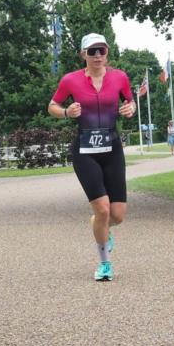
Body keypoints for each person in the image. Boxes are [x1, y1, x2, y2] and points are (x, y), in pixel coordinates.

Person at [47, 33, 135, 282]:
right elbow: (52, 106)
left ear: (107, 53)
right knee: (102, 208)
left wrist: (130, 108)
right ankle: (104, 263)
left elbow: (130, 101)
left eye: (102, 51)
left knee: (117, 215)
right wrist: (66, 112)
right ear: (83, 54)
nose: (97, 56)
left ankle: (102, 228)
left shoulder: (120, 77)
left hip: (112, 149)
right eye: (92, 51)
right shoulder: (70, 80)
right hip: (85, 151)